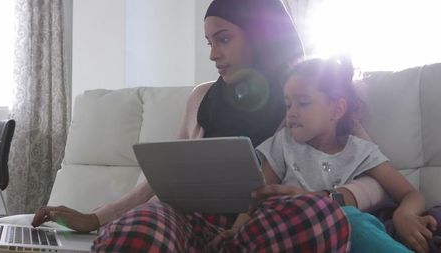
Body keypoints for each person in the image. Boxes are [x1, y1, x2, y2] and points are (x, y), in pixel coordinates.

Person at [32, 0, 386, 251]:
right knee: (141, 230)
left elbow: (374, 173)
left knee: (317, 216)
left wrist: (333, 197)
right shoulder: (201, 98)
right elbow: (159, 181)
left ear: (260, 36)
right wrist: (96, 218)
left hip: (262, 226)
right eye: (209, 42)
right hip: (191, 220)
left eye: (224, 39)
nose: (213, 54)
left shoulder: (309, 97)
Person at [254, 58, 438, 253]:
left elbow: (410, 194)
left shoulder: (360, 151)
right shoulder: (282, 144)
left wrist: (404, 214)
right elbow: (256, 196)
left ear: (337, 109)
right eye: (288, 104)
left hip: (341, 239)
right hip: (290, 235)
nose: (291, 113)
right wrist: (236, 230)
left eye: (303, 103)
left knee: (349, 218)